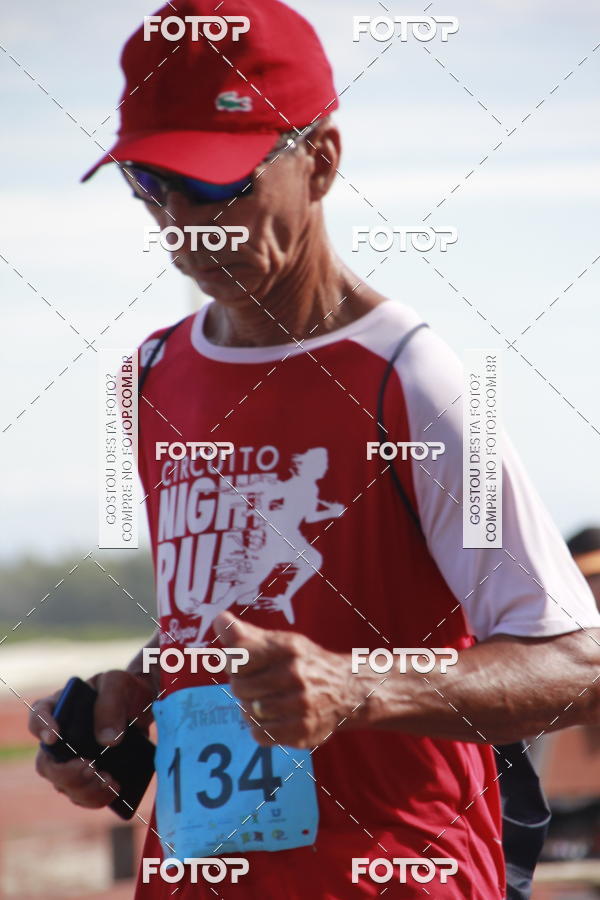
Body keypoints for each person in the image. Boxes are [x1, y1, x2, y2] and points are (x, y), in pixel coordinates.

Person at [28, 1, 600, 897]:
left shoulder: (417, 377)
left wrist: (358, 688)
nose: (186, 223)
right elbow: (222, 617)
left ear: (323, 160)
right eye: (152, 182)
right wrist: (129, 702)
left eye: (220, 185)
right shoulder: (146, 378)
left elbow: (577, 667)